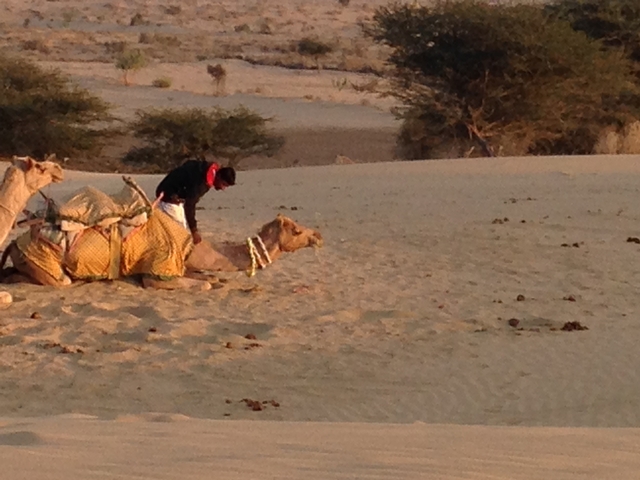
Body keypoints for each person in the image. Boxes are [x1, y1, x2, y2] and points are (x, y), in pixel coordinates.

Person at [155, 158, 236, 244]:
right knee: (181, 233)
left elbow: (188, 164)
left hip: (172, 194)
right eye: (223, 184)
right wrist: (194, 231)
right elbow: (190, 205)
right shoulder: (201, 183)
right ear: (219, 176)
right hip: (168, 196)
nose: (223, 188)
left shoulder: (205, 168)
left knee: (180, 228)